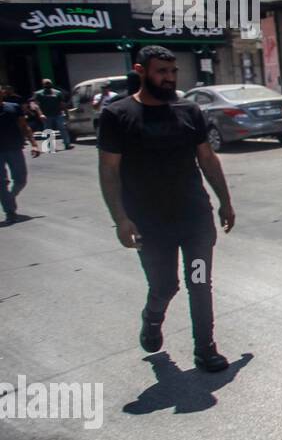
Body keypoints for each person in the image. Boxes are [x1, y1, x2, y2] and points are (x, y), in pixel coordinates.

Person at [96, 46, 234, 372]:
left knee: (199, 282)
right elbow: (109, 171)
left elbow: (207, 160)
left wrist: (225, 202)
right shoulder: (118, 115)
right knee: (165, 286)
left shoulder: (189, 111)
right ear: (141, 70)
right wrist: (120, 219)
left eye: (173, 72)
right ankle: (153, 318)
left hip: (195, 218)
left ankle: (205, 349)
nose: (169, 78)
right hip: (149, 222)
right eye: (161, 72)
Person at [1, 85, 42, 224]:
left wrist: (34, 144)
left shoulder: (13, 107)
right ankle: (10, 211)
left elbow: (24, 126)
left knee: (21, 180)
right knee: (1, 183)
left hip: (14, 148)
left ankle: (9, 198)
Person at [35, 79, 73, 149]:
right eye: (46, 83)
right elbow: (37, 105)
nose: (47, 85)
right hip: (46, 115)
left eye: (49, 83)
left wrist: (66, 113)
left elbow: (62, 104)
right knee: (48, 130)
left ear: (51, 84)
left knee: (63, 128)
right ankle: (50, 147)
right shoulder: (39, 94)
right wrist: (40, 114)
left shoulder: (57, 93)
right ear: (43, 85)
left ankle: (67, 144)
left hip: (58, 114)